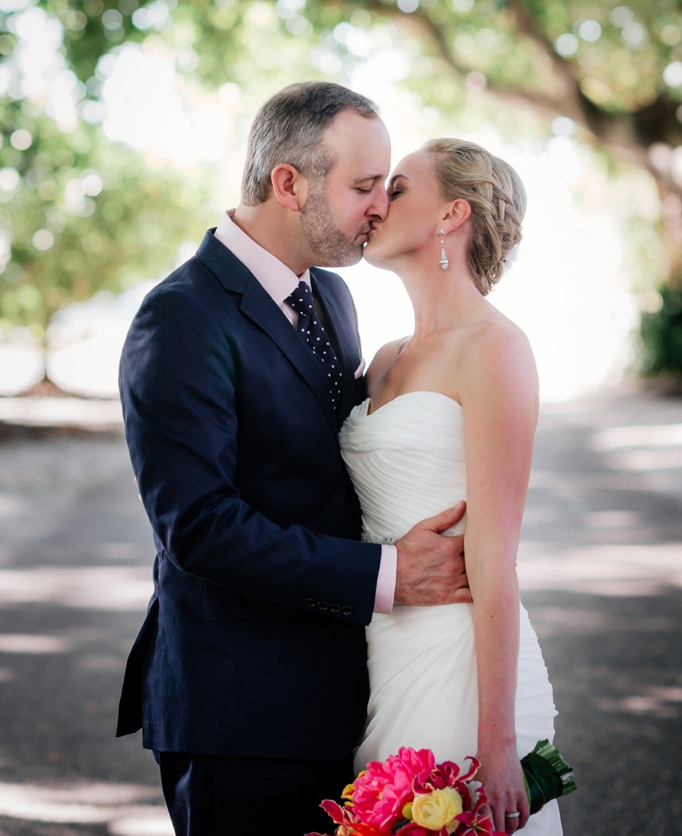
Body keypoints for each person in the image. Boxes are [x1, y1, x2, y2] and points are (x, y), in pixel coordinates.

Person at [116, 83, 471, 836]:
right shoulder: (181, 315)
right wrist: (388, 573)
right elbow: (199, 525)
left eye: (386, 187)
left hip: (341, 699)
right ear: (289, 182)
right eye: (363, 185)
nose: (379, 205)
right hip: (239, 715)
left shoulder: (334, 297)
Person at [340, 137, 562, 835]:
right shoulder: (380, 361)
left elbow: (496, 556)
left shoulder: (496, 349)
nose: (377, 203)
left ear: (451, 215)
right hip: (384, 651)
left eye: (398, 187)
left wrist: (495, 743)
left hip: (462, 662)